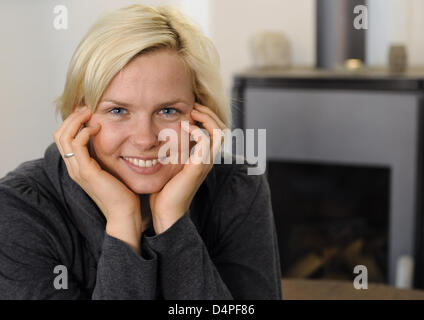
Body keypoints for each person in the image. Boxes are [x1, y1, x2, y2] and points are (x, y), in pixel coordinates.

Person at [0, 4, 282, 299]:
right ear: (78, 116)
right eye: (118, 110)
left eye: (168, 110)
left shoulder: (236, 187)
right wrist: (123, 221)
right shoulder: (18, 209)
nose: (146, 139)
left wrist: (172, 222)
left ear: (201, 114)